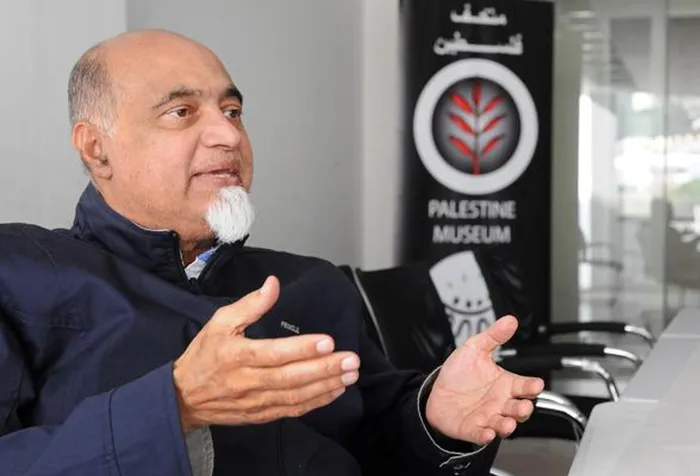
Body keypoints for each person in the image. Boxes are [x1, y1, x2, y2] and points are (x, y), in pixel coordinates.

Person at [0, 30, 544, 476]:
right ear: (96, 148)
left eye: (232, 110)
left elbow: (377, 439)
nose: (228, 134)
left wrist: (435, 420)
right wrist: (175, 403)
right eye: (182, 112)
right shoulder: (20, 274)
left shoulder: (310, 284)